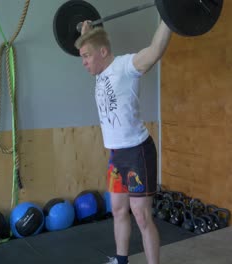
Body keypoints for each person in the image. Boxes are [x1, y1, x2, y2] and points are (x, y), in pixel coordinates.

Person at [74, 19, 172, 264]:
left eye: (86, 56)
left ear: (103, 52)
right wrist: (86, 31)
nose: (84, 63)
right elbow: (94, 42)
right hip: (117, 155)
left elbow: (154, 51)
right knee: (118, 210)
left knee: (141, 216)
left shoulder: (125, 66)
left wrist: (168, 19)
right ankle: (121, 260)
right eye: (82, 57)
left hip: (138, 152)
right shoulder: (100, 73)